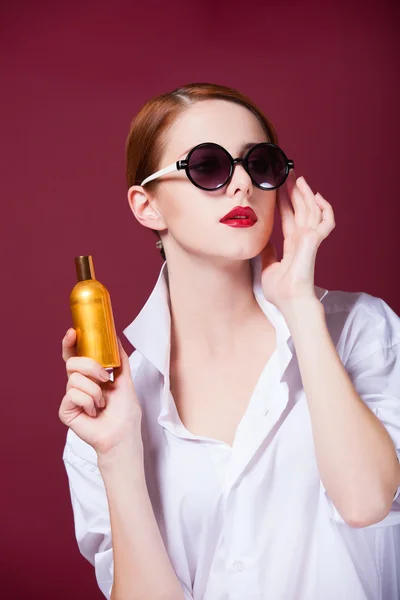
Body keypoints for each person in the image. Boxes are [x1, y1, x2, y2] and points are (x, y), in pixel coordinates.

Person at [59, 83, 400, 600]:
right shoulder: (106, 408)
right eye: (208, 166)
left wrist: (301, 307)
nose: (242, 185)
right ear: (147, 206)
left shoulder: (360, 330)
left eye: (259, 164)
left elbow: (366, 503)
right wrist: (118, 455)